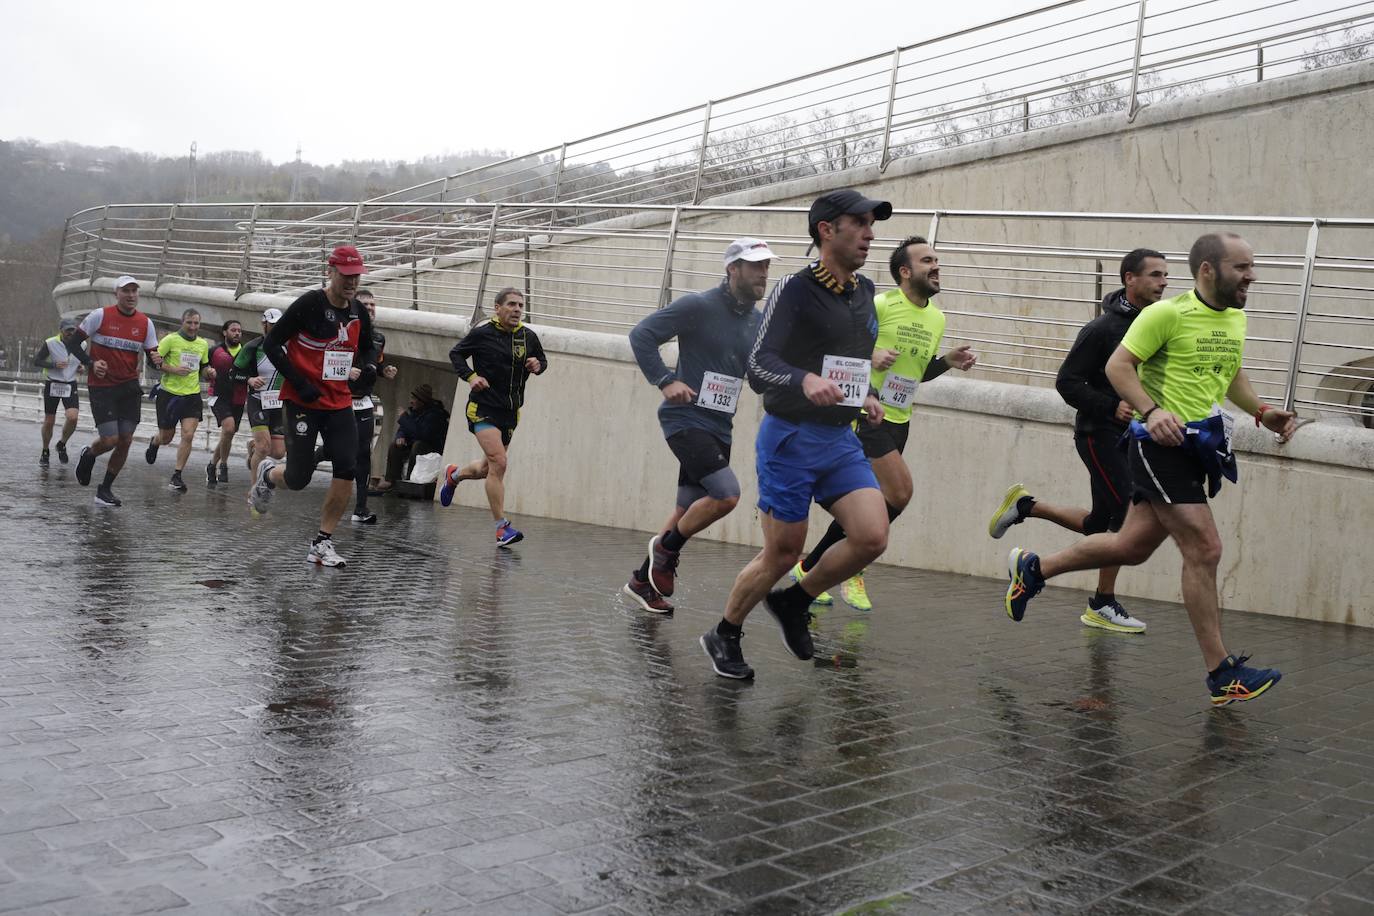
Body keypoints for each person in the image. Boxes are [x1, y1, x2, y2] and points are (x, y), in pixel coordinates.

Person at [1004, 232, 1298, 707]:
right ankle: (1222, 674)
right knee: (1205, 547)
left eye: (1251, 267)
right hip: (1157, 446)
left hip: (1196, 448)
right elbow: (1120, 367)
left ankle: (1034, 568)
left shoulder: (1235, 319)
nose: (1251, 276)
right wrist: (1151, 410)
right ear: (1208, 269)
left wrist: (1263, 412)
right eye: (1241, 267)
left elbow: (1231, 376)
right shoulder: (1165, 314)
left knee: (1130, 546)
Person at [700, 189, 893, 680]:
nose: (870, 233)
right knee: (783, 552)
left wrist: (864, 394)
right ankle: (725, 631)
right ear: (827, 230)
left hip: (840, 438)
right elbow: (759, 365)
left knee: (872, 536)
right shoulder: (793, 289)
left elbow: (848, 362)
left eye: (873, 224)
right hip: (790, 438)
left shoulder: (865, 291)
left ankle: (793, 602)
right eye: (860, 223)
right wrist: (804, 379)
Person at [791, 236, 976, 613]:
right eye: (927, 260)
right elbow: (837, 348)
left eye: (937, 259)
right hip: (865, 412)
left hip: (900, 419)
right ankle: (851, 566)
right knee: (892, 495)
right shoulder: (879, 304)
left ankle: (810, 567)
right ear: (905, 272)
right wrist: (869, 352)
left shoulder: (937, 318)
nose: (936, 266)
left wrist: (947, 363)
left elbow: (918, 373)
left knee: (876, 501)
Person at [989, 248, 1169, 633]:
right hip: (1099, 434)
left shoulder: (1158, 323)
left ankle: (1027, 506)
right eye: (1155, 275)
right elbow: (1067, 381)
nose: (1164, 282)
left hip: (1132, 437)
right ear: (1129, 279)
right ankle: (1101, 603)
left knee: (1099, 524)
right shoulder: (1103, 329)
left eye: (1165, 275)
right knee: (1124, 515)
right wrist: (1111, 406)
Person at [623, 238, 774, 613]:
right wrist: (664, 379)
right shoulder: (698, 305)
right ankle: (665, 548)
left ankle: (642, 581)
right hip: (685, 419)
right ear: (732, 269)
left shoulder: (757, 321)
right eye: (754, 265)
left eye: (766, 266)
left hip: (720, 425)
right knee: (726, 494)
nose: (762, 273)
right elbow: (641, 335)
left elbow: (755, 379)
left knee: (687, 508)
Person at [247, 245, 377, 568]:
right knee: (299, 477)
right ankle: (267, 474)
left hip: (339, 402)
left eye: (356, 277)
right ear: (330, 272)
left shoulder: (357, 311)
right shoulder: (309, 304)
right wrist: (299, 380)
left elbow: (369, 347)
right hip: (302, 400)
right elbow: (271, 343)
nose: (351, 283)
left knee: (348, 465)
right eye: (345, 276)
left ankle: (322, 542)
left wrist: (370, 368)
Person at [440, 288, 547, 547]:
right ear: (497, 308)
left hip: (510, 412)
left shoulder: (527, 336)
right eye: (511, 304)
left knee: (489, 468)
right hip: (483, 407)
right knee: (500, 463)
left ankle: (454, 475)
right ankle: (502, 529)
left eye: (520, 305)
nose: (517, 309)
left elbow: (542, 361)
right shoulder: (482, 333)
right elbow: (456, 354)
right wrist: (471, 376)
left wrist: (538, 365)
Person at [68, 276, 165, 507]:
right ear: (116, 294)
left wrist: (157, 360)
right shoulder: (100, 315)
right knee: (110, 439)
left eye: (135, 291)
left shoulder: (145, 323)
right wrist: (92, 363)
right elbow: (72, 343)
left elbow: (152, 358)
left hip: (129, 386)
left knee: (126, 439)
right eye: (126, 291)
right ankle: (89, 454)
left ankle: (105, 490)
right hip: (102, 387)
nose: (131, 295)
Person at [316, 288, 397, 523]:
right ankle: (317, 456)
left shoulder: (378, 338)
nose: (370, 308)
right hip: (338, 399)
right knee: (339, 451)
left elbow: (374, 364)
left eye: (373, 305)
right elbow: (321, 361)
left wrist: (384, 370)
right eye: (365, 304)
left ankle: (361, 508)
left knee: (363, 453)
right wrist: (343, 371)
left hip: (362, 401)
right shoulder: (339, 330)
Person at [145, 308, 213, 493]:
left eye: (196, 323)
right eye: (189, 323)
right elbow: (153, 361)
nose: (192, 327)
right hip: (169, 394)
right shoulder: (170, 340)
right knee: (166, 438)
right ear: (182, 322)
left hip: (192, 395)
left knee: (188, 435)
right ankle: (155, 441)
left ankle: (177, 476)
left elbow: (204, 366)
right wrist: (173, 369)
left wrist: (209, 372)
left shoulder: (202, 344)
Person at [234, 308, 287, 491]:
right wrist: (250, 379)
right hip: (258, 400)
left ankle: (253, 446)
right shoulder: (253, 346)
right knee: (264, 448)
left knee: (279, 453)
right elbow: (234, 373)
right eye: (272, 325)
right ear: (264, 325)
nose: (276, 328)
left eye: (278, 325)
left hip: (279, 403)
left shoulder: (289, 347)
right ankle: (255, 489)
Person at [34, 317, 83, 466]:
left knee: (73, 417)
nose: (70, 333)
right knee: (49, 421)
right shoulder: (50, 343)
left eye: (73, 330)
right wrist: (54, 365)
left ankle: (62, 444)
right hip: (53, 383)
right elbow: (37, 361)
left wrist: (80, 367)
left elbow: (80, 360)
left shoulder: (83, 343)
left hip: (70, 384)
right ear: (61, 330)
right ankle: (45, 450)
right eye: (68, 330)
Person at [380, 385, 449, 488]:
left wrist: (404, 418)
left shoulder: (435, 415)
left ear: (422, 401)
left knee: (418, 445)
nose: (411, 401)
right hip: (415, 446)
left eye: (414, 399)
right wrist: (401, 436)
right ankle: (391, 481)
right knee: (394, 446)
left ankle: (409, 482)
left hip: (432, 450)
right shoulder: (415, 412)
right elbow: (403, 429)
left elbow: (422, 435)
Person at [206, 319, 247, 487]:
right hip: (218, 396)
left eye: (239, 330)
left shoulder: (246, 351)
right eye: (233, 330)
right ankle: (223, 465)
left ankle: (211, 465)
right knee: (228, 428)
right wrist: (208, 372)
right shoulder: (214, 351)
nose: (237, 333)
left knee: (228, 434)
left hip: (238, 398)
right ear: (225, 332)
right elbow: (203, 368)